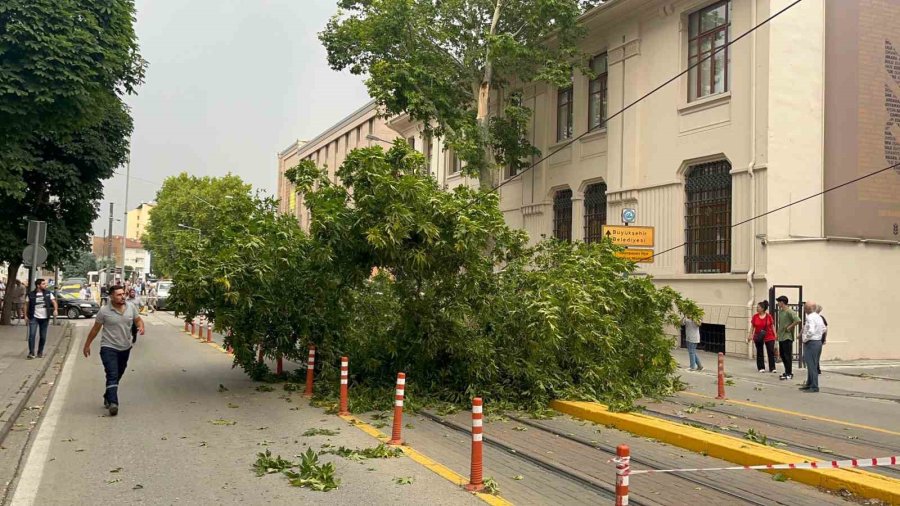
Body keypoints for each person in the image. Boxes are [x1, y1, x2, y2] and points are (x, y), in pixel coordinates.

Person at [83, 285, 144, 416]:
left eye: (123, 294)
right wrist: (87, 344)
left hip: (125, 347)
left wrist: (141, 327)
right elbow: (95, 329)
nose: (122, 297)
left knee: (118, 374)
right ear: (111, 296)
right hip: (108, 347)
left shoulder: (131, 307)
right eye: (119, 295)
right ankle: (113, 403)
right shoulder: (104, 311)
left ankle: (108, 395)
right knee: (112, 374)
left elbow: (138, 320)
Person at [23, 278, 58, 359]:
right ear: (38, 285)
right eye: (43, 284)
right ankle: (31, 352)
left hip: (45, 318)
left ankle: (40, 352)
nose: (45, 285)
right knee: (32, 335)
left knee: (43, 336)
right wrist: (25, 315)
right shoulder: (30, 294)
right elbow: (26, 304)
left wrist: (55, 310)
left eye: (45, 284)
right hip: (33, 317)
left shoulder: (48, 293)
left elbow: (54, 302)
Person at [800, 301, 826, 392]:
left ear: (808, 308)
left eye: (805, 307)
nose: (804, 309)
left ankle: (814, 386)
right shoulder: (818, 316)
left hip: (811, 343)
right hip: (817, 342)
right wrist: (818, 336)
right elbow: (824, 328)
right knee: (813, 364)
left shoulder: (810, 317)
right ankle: (809, 383)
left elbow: (810, 330)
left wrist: (805, 339)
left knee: (811, 365)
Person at [747, 300, 777, 373]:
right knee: (759, 352)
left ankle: (772, 368)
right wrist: (750, 335)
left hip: (769, 336)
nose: (757, 308)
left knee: (770, 352)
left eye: (758, 307)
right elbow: (752, 327)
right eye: (757, 307)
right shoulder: (755, 317)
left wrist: (775, 334)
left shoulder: (768, 316)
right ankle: (761, 367)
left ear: (763, 308)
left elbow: (772, 326)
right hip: (758, 336)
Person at [775, 296, 801, 380]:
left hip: (787, 337)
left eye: (779, 302)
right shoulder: (781, 311)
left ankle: (789, 373)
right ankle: (786, 371)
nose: (778, 304)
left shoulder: (790, 311)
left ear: (782, 302)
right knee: (782, 355)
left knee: (787, 355)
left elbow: (798, 320)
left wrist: (790, 327)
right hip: (781, 336)